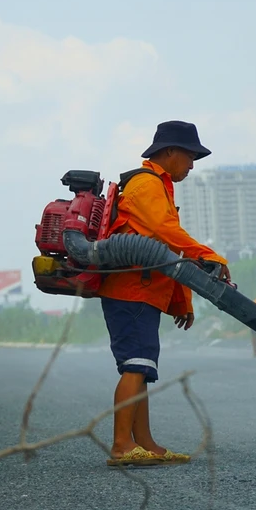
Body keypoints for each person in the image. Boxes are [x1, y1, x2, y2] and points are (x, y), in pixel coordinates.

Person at [96, 120, 231, 467]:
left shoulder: (160, 188)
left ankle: (145, 443)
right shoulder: (146, 185)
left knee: (141, 367)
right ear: (169, 152)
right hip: (130, 291)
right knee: (134, 366)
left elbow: (165, 253)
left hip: (144, 292)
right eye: (190, 156)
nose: (192, 164)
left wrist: (181, 301)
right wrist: (209, 254)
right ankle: (121, 445)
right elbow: (165, 232)